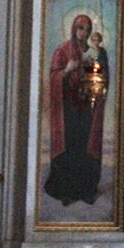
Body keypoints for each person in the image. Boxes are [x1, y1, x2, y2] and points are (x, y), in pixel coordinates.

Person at [44, 13, 108, 205]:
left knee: (85, 147)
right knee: (70, 147)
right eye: (80, 28)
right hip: (68, 109)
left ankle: (86, 189)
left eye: (87, 30)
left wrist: (98, 62)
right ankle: (67, 191)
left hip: (87, 107)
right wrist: (67, 70)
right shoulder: (62, 51)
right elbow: (53, 78)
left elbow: (102, 76)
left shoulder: (94, 51)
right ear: (73, 29)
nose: (84, 33)